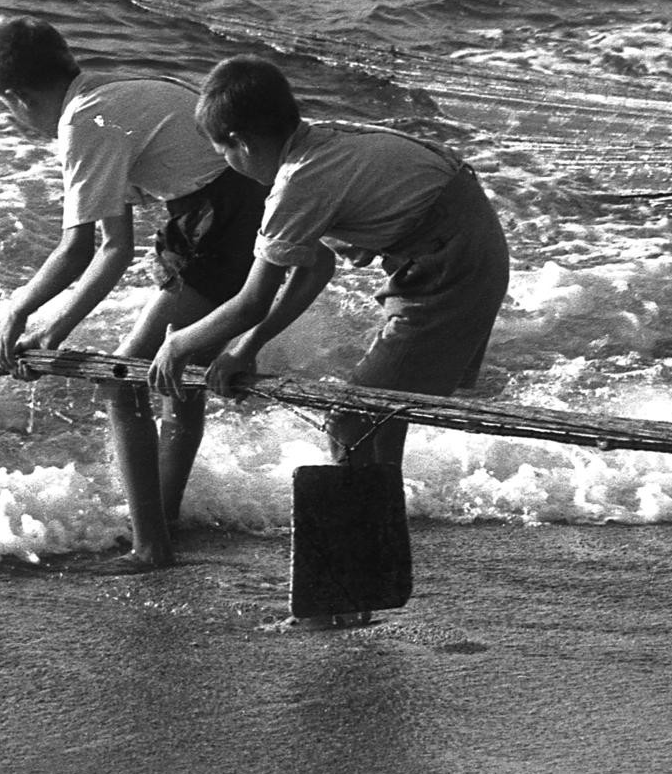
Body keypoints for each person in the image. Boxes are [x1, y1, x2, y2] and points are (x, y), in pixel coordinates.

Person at [0, 15, 266, 569]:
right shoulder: (111, 94)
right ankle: (163, 519)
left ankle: (150, 545)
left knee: (122, 381)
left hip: (223, 220)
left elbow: (81, 251)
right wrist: (53, 332)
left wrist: (19, 313)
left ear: (17, 98)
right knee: (175, 379)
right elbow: (114, 247)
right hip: (229, 209)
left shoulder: (83, 122)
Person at [147, 55, 509, 471]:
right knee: (383, 416)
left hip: (450, 264)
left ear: (241, 143)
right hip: (466, 240)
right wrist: (248, 346)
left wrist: (178, 344)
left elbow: (251, 302)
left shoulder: (298, 182)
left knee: (351, 422)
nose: (229, 165)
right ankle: (382, 508)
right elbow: (316, 267)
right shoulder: (321, 141)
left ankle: (363, 513)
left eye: (223, 153)